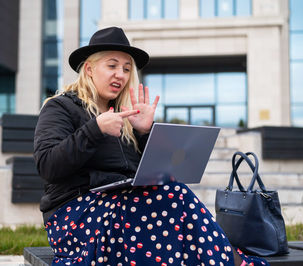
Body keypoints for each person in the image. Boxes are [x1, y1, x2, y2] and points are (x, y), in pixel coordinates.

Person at [34, 26, 269, 266]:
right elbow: (48, 166)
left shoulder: (127, 116)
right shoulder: (60, 107)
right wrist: (95, 130)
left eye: (127, 69)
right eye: (112, 66)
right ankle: (235, 262)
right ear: (89, 69)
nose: (121, 75)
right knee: (167, 204)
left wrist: (145, 132)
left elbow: (153, 173)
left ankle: (229, 261)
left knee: (173, 193)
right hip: (76, 215)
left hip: (129, 207)